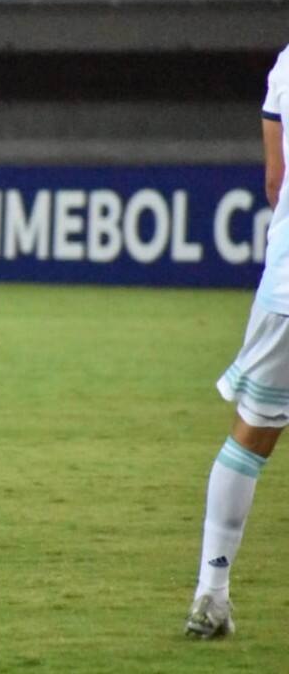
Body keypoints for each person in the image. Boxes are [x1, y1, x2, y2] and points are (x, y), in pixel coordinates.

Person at [183, 44, 289, 638]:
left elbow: (276, 182)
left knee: (251, 436)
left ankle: (212, 593)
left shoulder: (287, 64)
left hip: (287, 286)